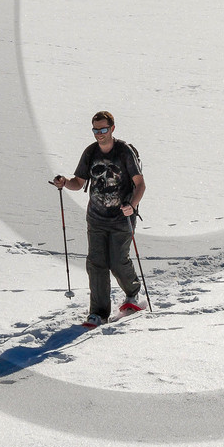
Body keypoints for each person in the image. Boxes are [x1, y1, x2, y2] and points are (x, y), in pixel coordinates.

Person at [53, 110, 146, 327]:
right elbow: (79, 182)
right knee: (96, 264)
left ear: (112, 128)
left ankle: (133, 293)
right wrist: (65, 182)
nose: (99, 134)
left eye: (103, 129)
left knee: (117, 260)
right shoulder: (90, 152)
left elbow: (140, 184)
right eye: (95, 130)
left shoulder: (124, 152)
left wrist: (132, 205)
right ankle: (98, 313)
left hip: (122, 217)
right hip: (96, 218)